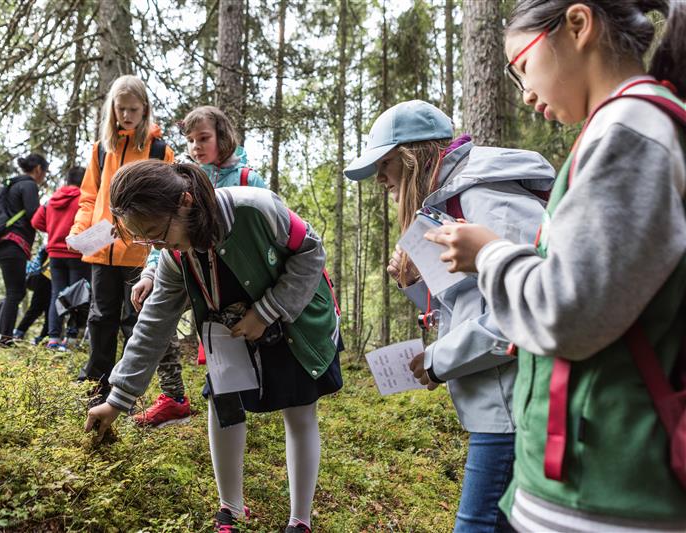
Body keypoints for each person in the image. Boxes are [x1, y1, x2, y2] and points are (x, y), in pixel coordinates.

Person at [426, 1, 686, 530]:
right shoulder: (626, 126)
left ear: (577, 25)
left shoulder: (631, 129)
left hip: (613, 489)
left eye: (521, 65)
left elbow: (568, 310)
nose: (524, 92)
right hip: (595, 479)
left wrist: (489, 254)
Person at [85, 160, 342, 533]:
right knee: (223, 404)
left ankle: (299, 520)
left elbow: (311, 253)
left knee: (299, 409)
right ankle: (230, 508)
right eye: (146, 239)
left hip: (294, 317)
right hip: (229, 332)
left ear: (186, 202)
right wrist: (117, 398)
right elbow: (154, 324)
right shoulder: (174, 255)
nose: (156, 246)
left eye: (157, 232)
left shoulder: (255, 207)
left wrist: (267, 312)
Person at [343, 99, 554, 532]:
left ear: (411, 158)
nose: (381, 180)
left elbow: (526, 307)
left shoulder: (485, 197)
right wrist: (416, 285)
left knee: (475, 524)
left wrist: (438, 360)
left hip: (515, 407)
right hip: (499, 405)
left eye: (385, 166)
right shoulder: (451, 202)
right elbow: (468, 303)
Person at [130, 105, 267, 429]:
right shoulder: (181, 181)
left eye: (203, 137)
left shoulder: (248, 178)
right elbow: (164, 235)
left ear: (223, 136)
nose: (196, 146)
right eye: (190, 140)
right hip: (195, 274)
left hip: (239, 279)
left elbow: (266, 230)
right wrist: (151, 272)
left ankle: (253, 397)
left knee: (244, 338)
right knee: (211, 338)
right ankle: (207, 404)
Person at [69, 75, 174, 403]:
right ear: (112, 110)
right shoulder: (102, 150)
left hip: (139, 253)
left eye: (133, 109)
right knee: (100, 318)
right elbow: (89, 197)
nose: (126, 115)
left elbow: (165, 201)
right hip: (101, 249)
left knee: (135, 320)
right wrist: (78, 232)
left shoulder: (159, 151)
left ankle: (127, 391)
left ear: (145, 109)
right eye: (120, 109)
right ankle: (96, 385)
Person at [0, 153, 47, 347]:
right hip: (14, 244)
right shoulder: (29, 185)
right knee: (16, 291)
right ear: (38, 169)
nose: (44, 177)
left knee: (13, 291)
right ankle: (4, 336)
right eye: (44, 173)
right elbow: (35, 216)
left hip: (2, 244)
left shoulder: (12, 184)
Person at [32, 166, 90, 350]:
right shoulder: (83, 199)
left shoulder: (51, 200)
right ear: (84, 180)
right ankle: (71, 338)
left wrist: (53, 229)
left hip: (55, 255)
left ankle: (53, 338)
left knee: (56, 295)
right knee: (77, 296)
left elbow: (36, 221)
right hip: (76, 253)